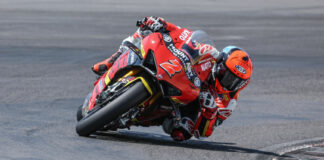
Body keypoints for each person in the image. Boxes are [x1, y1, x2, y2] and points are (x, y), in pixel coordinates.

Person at [92, 16, 253, 141]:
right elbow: (184, 34)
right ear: (220, 63)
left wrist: (209, 113)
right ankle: (112, 60)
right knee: (145, 32)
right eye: (227, 74)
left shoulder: (228, 102)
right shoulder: (210, 53)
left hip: (185, 104)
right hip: (177, 75)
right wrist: (162, 24)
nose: (229, 82)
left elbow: (203, 134)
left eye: (235, 81)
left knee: (182, 131)